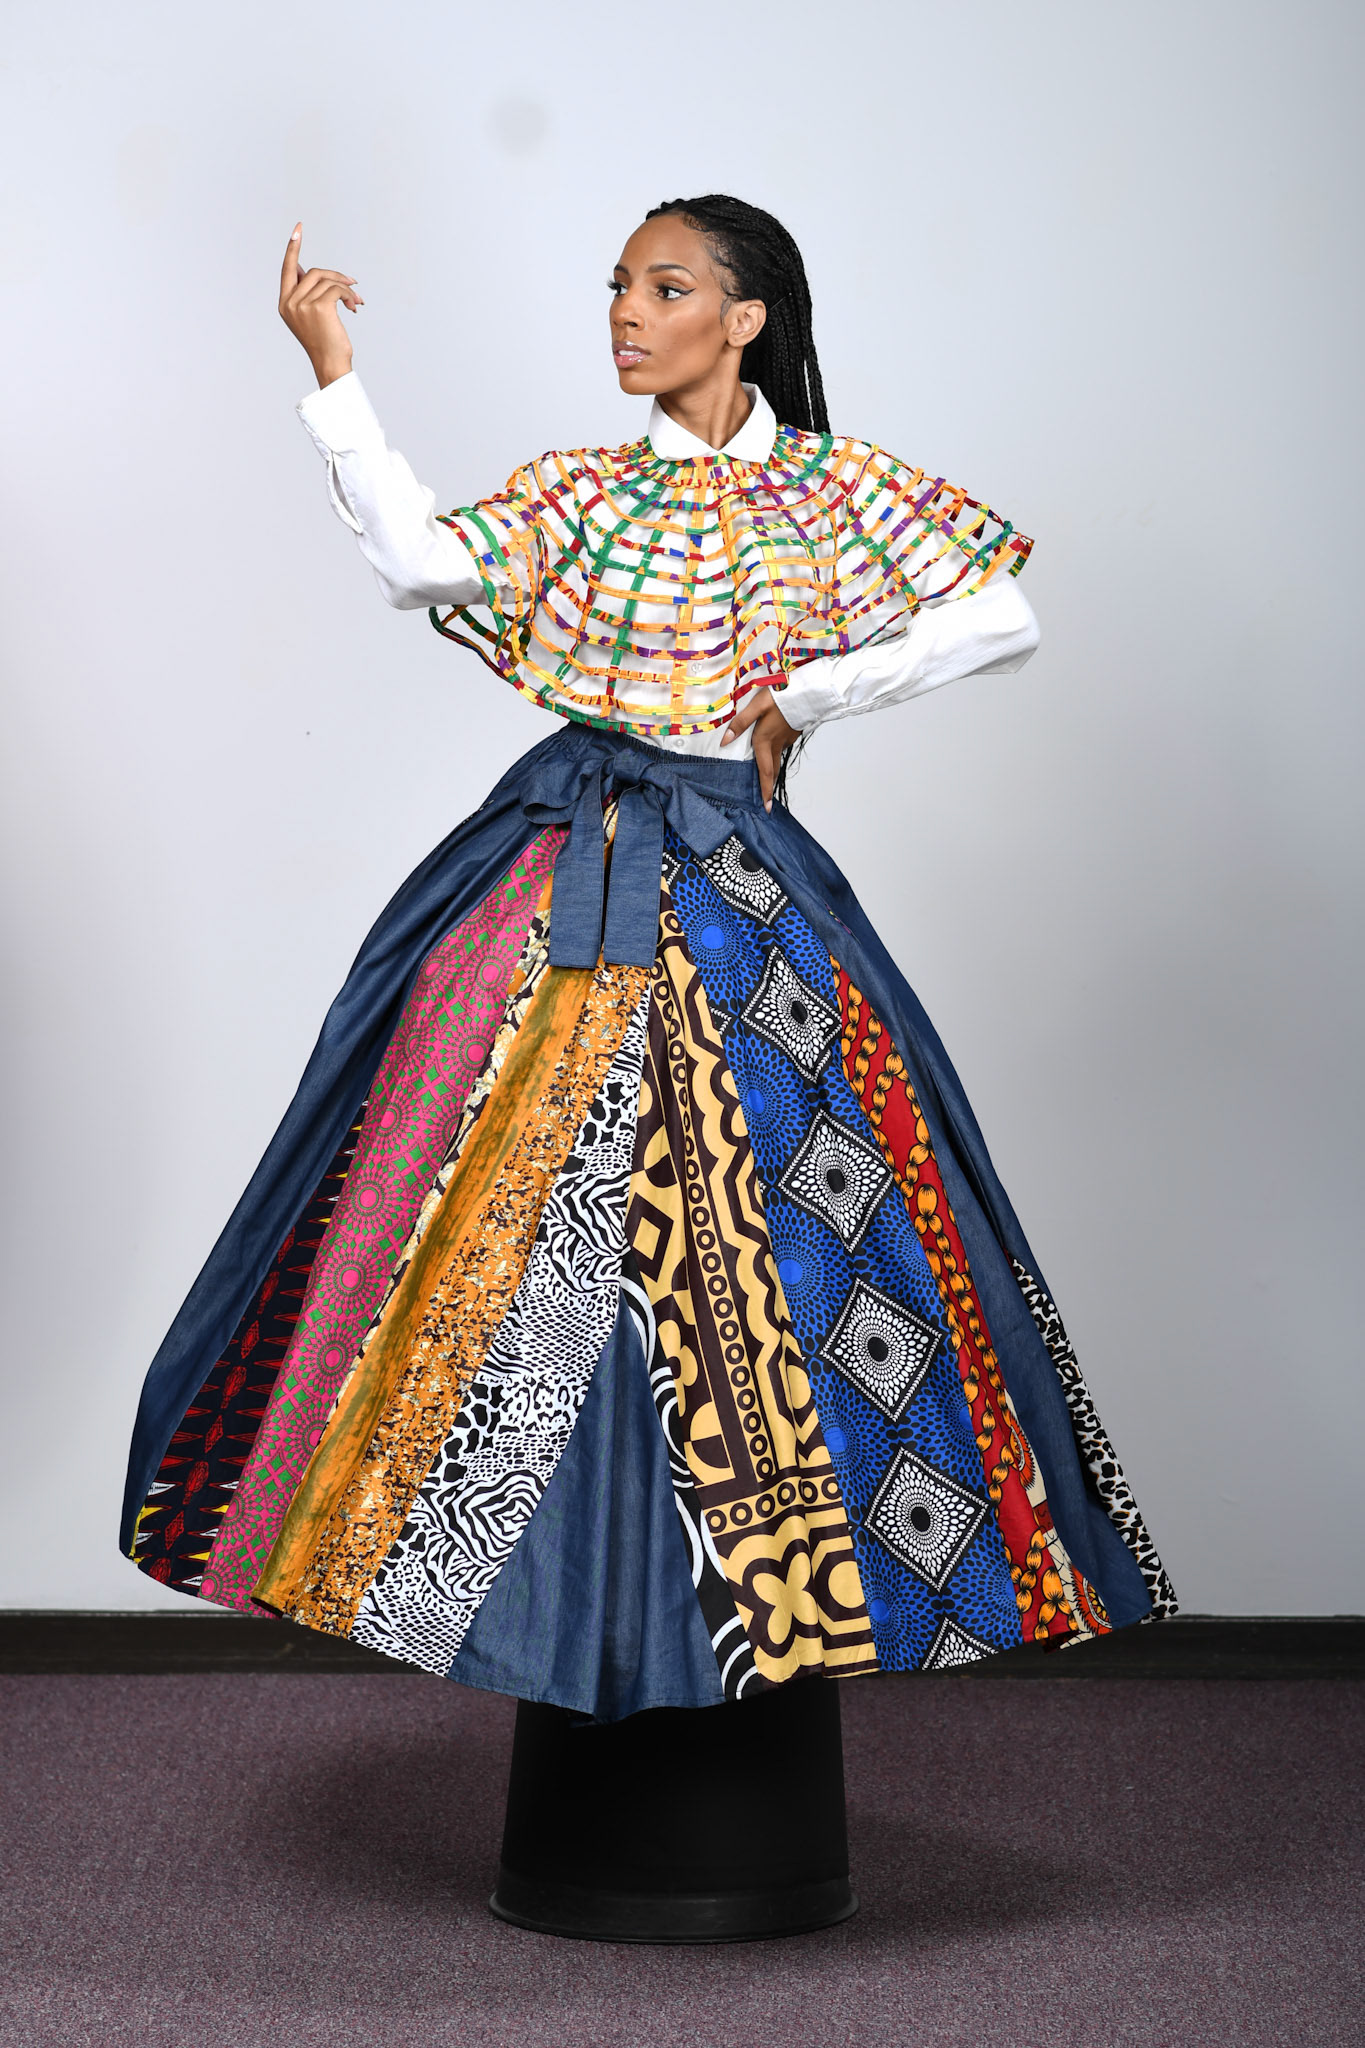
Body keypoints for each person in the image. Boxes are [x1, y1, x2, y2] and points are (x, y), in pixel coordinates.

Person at [121, 196, 1175, 1720]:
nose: (626, 312)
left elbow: (996, 616)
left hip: (738, 885)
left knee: (791, 1243)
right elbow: (420, 564)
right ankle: (488, 1585)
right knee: (484, 1228)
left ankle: (777, 1608)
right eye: (618, 284)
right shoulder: (588, 492)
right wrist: (333, 370)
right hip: (562, 872)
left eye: (665, 288)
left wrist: (811, 697)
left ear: (743, 320)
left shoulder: (830, 489)